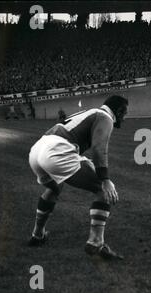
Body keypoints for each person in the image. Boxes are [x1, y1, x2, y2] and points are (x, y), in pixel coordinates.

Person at [28, 95, 128, 260]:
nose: (125, 118)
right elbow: (98, 148)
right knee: (103, 190)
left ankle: (38, 234)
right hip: (56, 151)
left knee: (55, 187)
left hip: (37, 150)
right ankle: (96, 241)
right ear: (119, 110)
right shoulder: (105, 117)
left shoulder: (90, 112)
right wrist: (105, 179)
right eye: (124, 113)